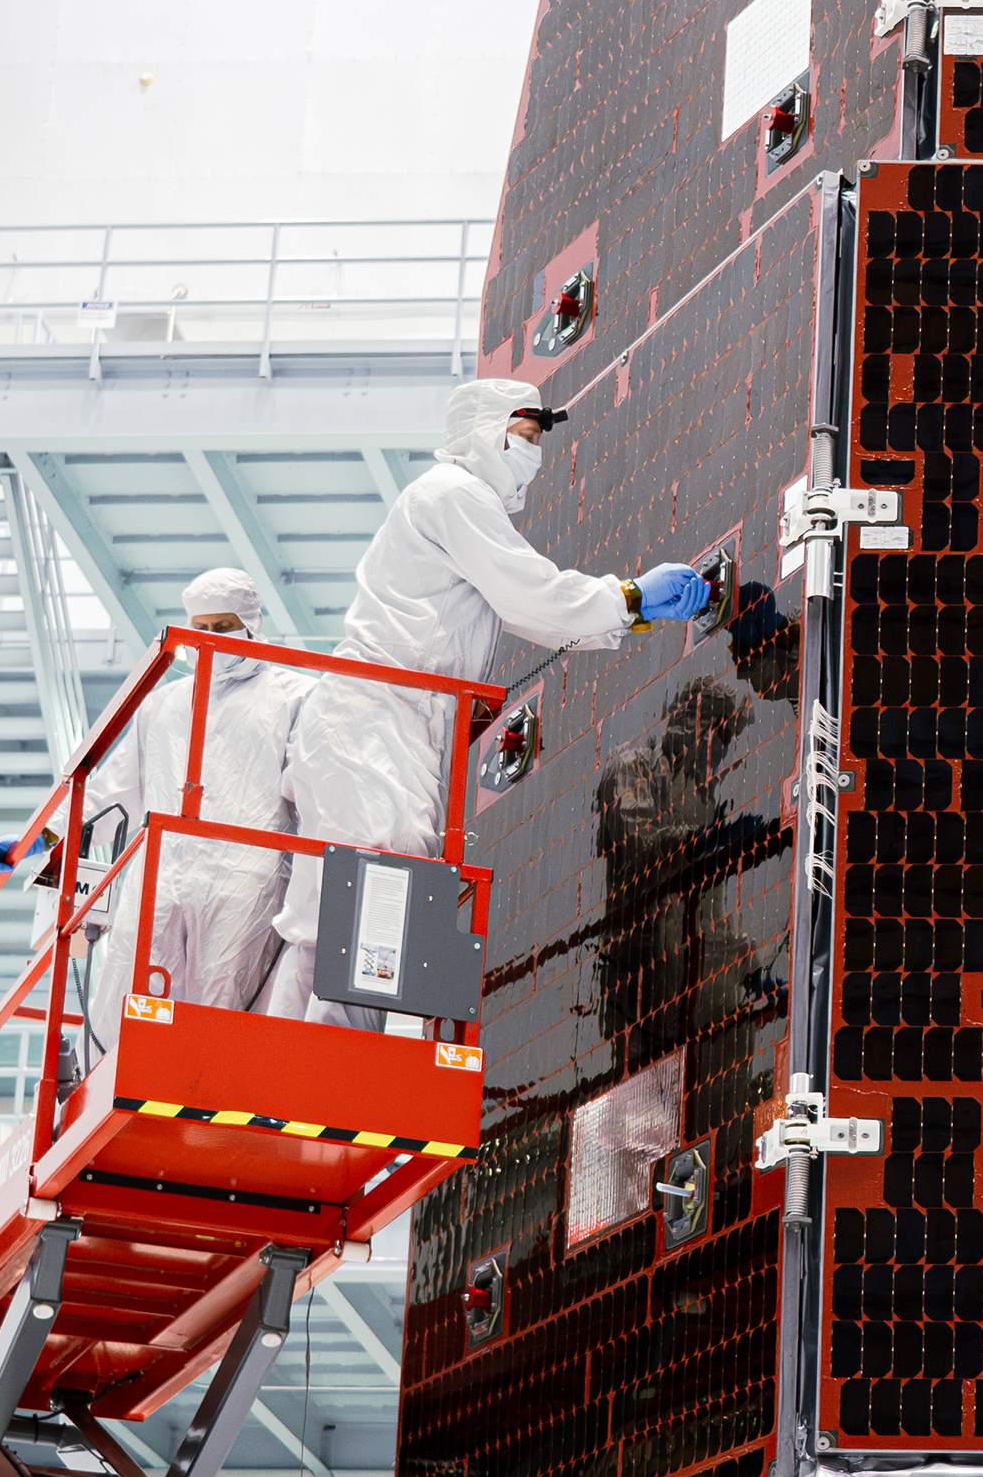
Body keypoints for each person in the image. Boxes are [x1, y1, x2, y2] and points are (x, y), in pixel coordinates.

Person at [268, 376, 719, 1009]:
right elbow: (528, 592)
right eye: (526, 435)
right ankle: (328, 1077)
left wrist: (628, 611)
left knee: (345, 918)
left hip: (385, 723)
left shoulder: (452, 505)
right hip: (372, 720)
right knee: (372, 894)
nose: (533, 452)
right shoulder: (453, 495)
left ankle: (308, 1072)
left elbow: (526, 614)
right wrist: (631, 596)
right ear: (487, 430)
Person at [149, 566, 297, 1017]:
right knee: (147, 995)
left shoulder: (291, 695)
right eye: (201, 628)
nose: (211, 638)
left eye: (224, 627)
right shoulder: (167, 703)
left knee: (224, 1000)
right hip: (166, 872)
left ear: (250, 624)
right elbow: (116, 782)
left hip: (244, 875)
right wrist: (49, 835)